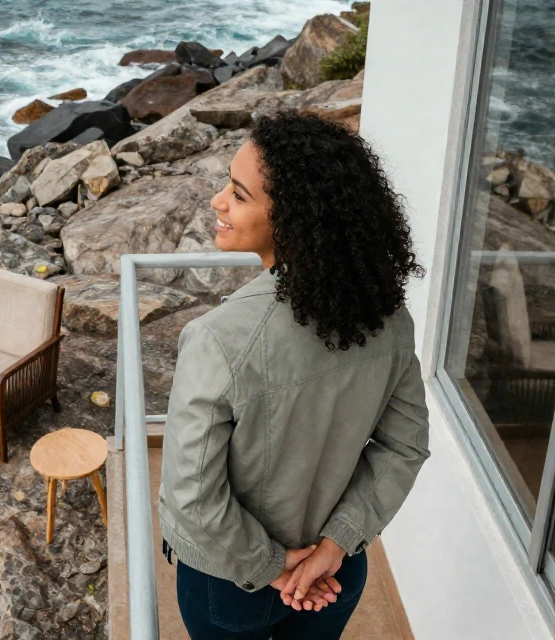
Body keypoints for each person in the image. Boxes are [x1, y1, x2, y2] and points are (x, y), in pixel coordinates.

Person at [159, 112, 431, 640]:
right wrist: (333, 546)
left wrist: (275, 567)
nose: (218, 202)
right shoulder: (389, 319)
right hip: (337, 573)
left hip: (234, 588)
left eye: (238, 195)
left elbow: (192, 497)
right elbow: (405, 447)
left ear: (292, 221)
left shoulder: (219, 338)